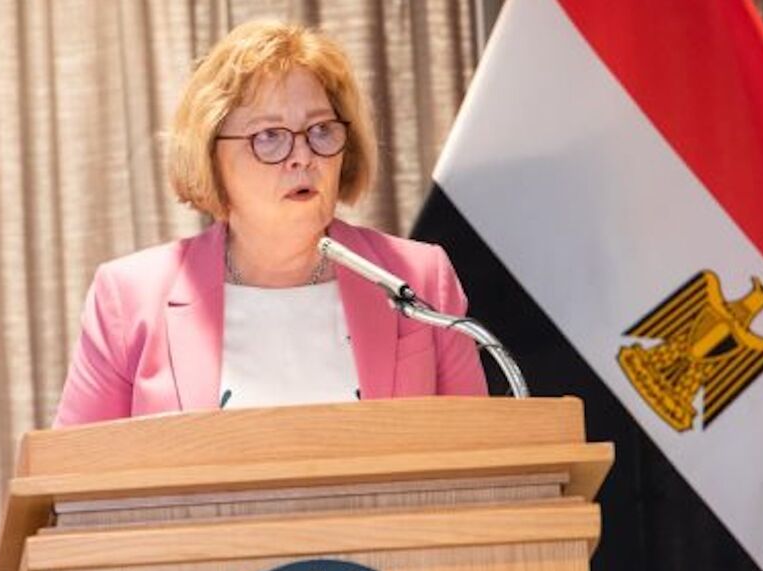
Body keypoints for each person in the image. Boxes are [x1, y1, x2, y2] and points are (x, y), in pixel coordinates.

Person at [54, 20, 487, 427]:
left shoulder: (420, 279)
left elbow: (479, 460)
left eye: (320, 130)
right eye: (269, 136)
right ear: (211, 157)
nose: (303, 156)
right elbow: (71, 483)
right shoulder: (130, 299)